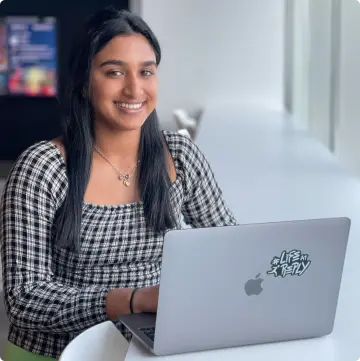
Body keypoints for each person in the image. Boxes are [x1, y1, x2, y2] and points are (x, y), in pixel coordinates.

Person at [0, 7, 237, 361]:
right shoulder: (42, 168)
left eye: (146, 71)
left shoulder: (180, 154)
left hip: (149, 345)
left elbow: (229, 248)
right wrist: (130, 299)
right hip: (57, 351)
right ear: (83, 82)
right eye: (114, 72)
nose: (134, 88)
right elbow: (25, 300)